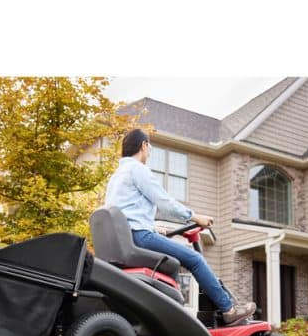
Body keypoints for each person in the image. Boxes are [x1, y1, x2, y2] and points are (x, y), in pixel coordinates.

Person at [105, 128, 256, 324]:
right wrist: (194, 217)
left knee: (172, 266)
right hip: (138, 236)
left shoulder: (116, 176)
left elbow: (124, 212)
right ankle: (228, 309)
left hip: (126, 238)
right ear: (143, 145)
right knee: (195, 259)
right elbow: (165, 202)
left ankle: (174, 316)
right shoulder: (138, 169)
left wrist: (153, 227)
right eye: (149, 147)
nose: (149, 152)